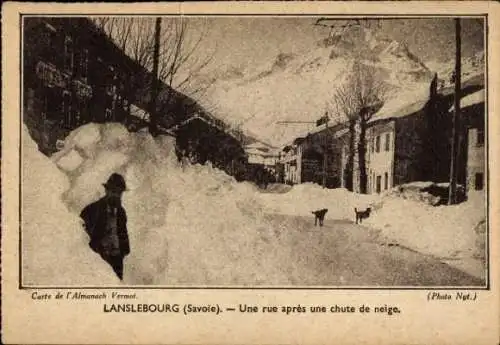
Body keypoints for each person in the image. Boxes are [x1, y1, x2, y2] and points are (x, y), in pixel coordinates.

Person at [80, 173, 130, 280]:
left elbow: (123, 234)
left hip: (116, 259)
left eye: (119, 193)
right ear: (106, 191)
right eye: (113, 192)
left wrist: (123, 250)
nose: (116, 195)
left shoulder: (121, 212)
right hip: (98, 259)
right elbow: (81, 235)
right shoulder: (91, 210)